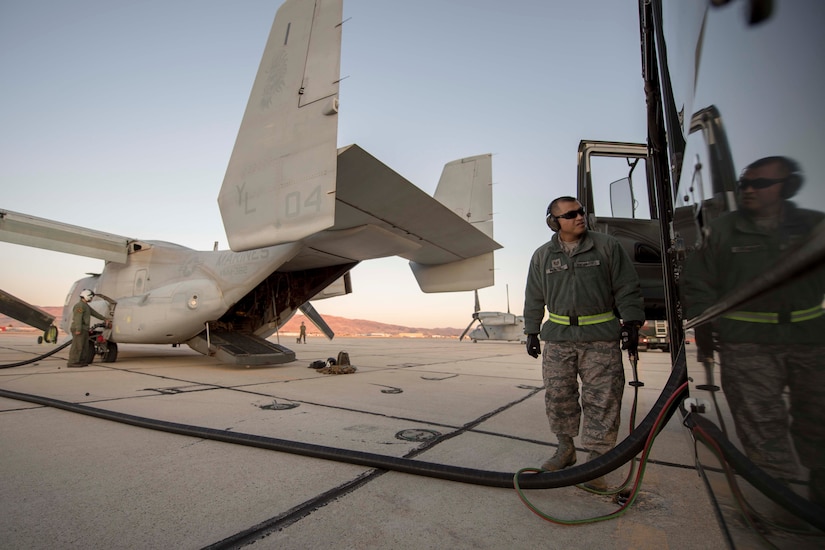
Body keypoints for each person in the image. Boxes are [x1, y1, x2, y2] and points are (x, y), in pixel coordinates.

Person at [683, 156, 825, 507]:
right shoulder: (721, 230)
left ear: (787, 187)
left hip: (810, 339)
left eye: (760, 184)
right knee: (761, 422)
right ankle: (782, 499)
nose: (748, 190)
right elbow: (698, 280)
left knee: (818, 417)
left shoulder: (814, 226)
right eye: (744, 183)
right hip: (746, 343)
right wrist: (702, 322)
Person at [524, 196, 644, 489]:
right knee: (558, 396)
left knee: (602, 400)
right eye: (570, 214)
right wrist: (531, 331)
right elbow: (534, 296)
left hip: (600, 338)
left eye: (581, 211)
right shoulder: (543, 256)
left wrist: (631, 322)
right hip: (559, 338)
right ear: (555, 222)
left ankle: (597, 463)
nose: (579, 217)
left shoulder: (606, 246)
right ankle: (565, 450)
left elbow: (627, 286)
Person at [67, 289, 108, 368]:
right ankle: (73, 362)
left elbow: (94, 313)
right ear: (87, 296)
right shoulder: (80, 306)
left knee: (84, 346)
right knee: (77, 346)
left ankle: (81, 361)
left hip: (84, 329)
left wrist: (104, 318)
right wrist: (78, 329)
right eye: (91, 297)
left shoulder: (86, 306)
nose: (91, 299)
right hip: (79, 329)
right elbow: (78, 318)